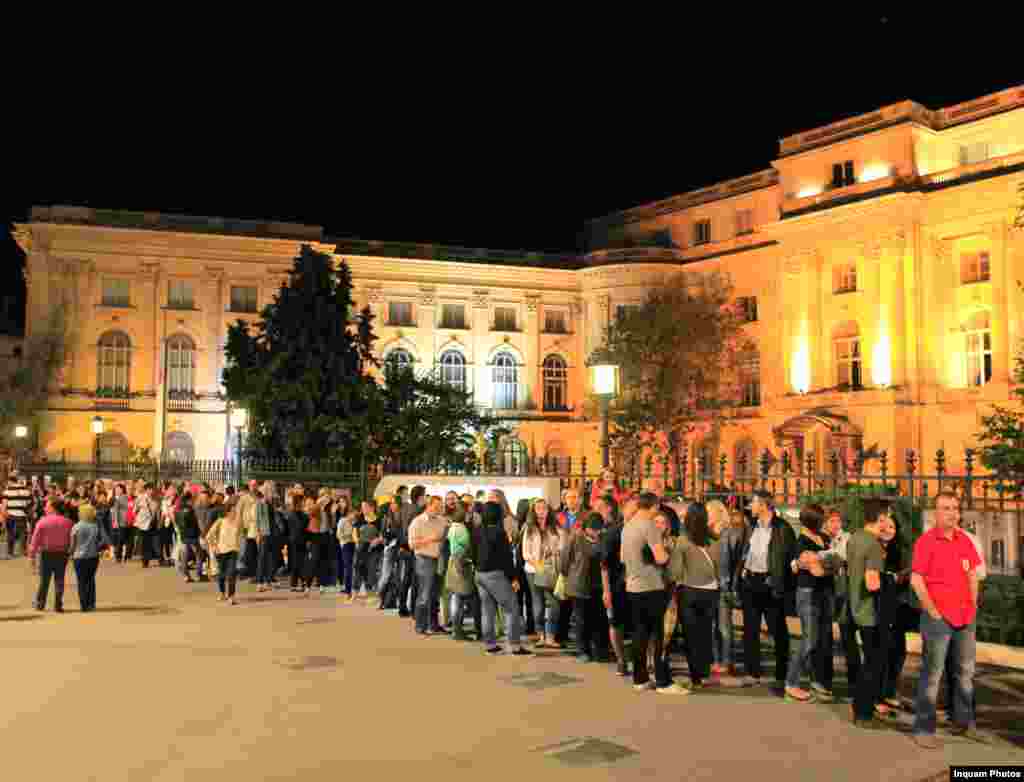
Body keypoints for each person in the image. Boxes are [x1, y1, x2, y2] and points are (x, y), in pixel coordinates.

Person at [910, 490, 984, 749]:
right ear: (936, 513)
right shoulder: (926, 542)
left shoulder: (965, 540)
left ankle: (963, 722)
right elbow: (917, 580)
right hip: (938, 619)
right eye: (946, 508)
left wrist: (973, 605)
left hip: (965, 618)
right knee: (933, 674)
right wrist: (932, 610)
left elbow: (973, 574)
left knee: (965, 673)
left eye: (955, 508)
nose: (952, 513)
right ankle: (923, 728)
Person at [623, 492, 685, 694]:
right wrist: (668, 555)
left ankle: (640, 679)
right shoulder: (649, 525)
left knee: (639, 634)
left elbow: (622, 558)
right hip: (651, 585)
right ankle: (663, 681)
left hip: (633, 585)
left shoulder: (629, 525)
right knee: (658, 636)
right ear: (653, 506)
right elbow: (660, 558)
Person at [738, 489, 796, 688]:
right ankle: (752, 672)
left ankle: (782, 673)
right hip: (750, 582)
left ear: (763, 505)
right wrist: (743, 570)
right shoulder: (751, 525)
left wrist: (780, 582)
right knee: (750, 630)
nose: (750, 507)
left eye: (753, 503)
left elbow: (788, 558)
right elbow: (747, 550)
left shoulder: (782, 528)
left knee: (777, 630)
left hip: (771, 583)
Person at [845, 498, 888, 729]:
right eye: (887, 516)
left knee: (865, 661)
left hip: (854, 607)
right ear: (880, 518)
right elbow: (872, 581)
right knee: (872, 663)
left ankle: (862, 706)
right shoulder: (872, 544)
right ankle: (863, 711)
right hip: (870, 611)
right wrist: (887, 580)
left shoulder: (855, 538)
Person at [784, 504, 833, 703]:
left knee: (821, 640)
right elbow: (816, 570)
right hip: (808, 593)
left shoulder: (823, 538)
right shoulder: (801, 542)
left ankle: (816, 680)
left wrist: (825, 564)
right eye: (822, 519)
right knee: (809, 639)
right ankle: (791, 683)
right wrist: (824, 564)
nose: (825, 522)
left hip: (824, 592)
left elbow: (830, 565)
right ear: (814, 520)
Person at [671, 502, 721, 690]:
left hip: (689, 590)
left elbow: (675, 571)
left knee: (691, 635)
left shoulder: (683, 541)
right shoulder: (715, 540)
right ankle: (705, 671)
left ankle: (695, 677)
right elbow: (719, 565)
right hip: (710, 591)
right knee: (706, 632)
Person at [473, 500, 532, 655]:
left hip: (479, 574)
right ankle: (515, 646)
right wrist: (513, 578)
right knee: (512, 608)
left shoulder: (478, 529)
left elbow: (472, 552)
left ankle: (490, 645)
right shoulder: (499, 533)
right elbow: (506, 559)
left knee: (487, 610)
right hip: (495, 575)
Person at [561, 512, 607, 662]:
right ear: (586, 527)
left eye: (598, 529)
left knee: (598, 619)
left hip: (598, 585)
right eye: (593, 529)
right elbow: (565, 559)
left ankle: (598, 650)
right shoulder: (576, 538)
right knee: (581, 620)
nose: (595, 532)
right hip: (579, 585)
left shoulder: (603, 539)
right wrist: (566, 575)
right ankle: (583, 650)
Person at [878, 511, 913, 709]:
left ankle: (890, 689)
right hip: (877, 605)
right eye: (884, 525)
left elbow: (907, 574)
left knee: (898, 650)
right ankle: (879, 692)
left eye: (892, 527)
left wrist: (898, 577)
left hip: (897, 604)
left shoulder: (901, 550)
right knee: (880, 649)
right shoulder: (872, 546)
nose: (887, 530)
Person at [521, 498, 562, 649]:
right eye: (538, 508)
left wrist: (555, 553)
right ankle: (541, 635)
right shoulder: (529, 528)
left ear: (548, 510)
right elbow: (525, 553)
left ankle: (551, 636)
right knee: (537, 602)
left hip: (552, 569)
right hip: (533, 570)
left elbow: (561, 546)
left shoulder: (555, 528)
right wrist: (538, 566)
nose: (541, 511)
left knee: (554, 603)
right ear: (533, 511)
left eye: (544, 508)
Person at [712, 505, 747, 677]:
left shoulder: (729, 534)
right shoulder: (707, 534)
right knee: (715, 627)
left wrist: (729, 585)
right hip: (710, 584)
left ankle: (727, 661)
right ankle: (718, 660)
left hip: (722, 585)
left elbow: (732, 562)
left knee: (724, 626)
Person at [598, 493, 631, 676]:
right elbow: (604, 564)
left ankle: (648, 661)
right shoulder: (613, 533)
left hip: (638, 584)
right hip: (617, 584)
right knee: (616, 623)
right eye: (630, 509)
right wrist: (606, 591)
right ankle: (621, 660)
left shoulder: (645, 530)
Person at [408, 495, 448, 635]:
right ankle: (421, 626)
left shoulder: (442, 521)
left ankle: (434, 624)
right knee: (424, 594)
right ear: (428, 506)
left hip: (439, 560)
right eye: (436, 507)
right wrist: (431, 539)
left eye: (440, 507)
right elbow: (412, 545)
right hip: (424, 559)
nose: (439, 509)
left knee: (435, 594)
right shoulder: (417, 522)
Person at [29, 497, 74, 612]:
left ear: (53, 508)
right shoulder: (68, 522)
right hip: (62, 554)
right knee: (59, 580)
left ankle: (40, 603)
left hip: (46, 553)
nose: (45, 508)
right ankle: (58, 604)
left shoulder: (42, 521)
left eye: (47, 506)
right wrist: (70, 552)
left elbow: (35, 540)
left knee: (44, 580)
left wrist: (32, 556)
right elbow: (72, 540)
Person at [70, 502, 110, 612]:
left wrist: (70, 553)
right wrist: (97, 547)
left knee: (81, 581)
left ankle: (84, 604)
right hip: (93, 556)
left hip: (79, 557)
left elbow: (73, 544)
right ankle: (91, 603)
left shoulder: (76, 527)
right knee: (90, 580)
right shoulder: (95, 527)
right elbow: (103, 540)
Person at [205, 498, 244, 604]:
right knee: (221, 574)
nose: (234, 513)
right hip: (221, 551)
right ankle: (222, 593)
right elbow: (209, 536)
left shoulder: (238, 523)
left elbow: (241, 534)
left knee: (231, 573)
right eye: (232, 511)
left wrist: (239, 545)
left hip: (233, 551)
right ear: (227, 512)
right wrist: (214, 547)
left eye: (235, 511)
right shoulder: (220, 521)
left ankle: (231, 596)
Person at [175, 492, 202, 583]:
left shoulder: (178, 509)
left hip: (183, 535)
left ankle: (186, 576)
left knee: (184, 556)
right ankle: (198, 574)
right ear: (189, 500)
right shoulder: (190, 510)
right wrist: (198, 532)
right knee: (198, 554)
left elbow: (177, 522)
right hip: (192, 535)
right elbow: (194, 523)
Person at [3, 473, 32, 557]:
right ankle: (23, 551)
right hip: (22, 515)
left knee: (10, 533)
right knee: (23, 533)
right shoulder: (26, 491)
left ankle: (10, 552)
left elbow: (4, 505)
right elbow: (29, 503)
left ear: (10, 481)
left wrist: (5, 515)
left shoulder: (7, 491)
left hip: (10, 515)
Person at [134, 484, 161, 568]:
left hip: (152, 523)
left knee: (153, 541)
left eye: (153, 490)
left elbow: (157, 511)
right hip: (143, 524)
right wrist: (139, 518)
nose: (151, 491)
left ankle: (155, 558)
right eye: (150, 490)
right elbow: (135, 509)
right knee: (145, 542)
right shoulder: (140, 498)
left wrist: (158, 521)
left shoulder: (156, 499)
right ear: (146, 490)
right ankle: (145, 560)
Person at [286, 493, 309, 592]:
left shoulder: (291, 514)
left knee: (298, 562)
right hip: (297, 541)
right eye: (302, 502)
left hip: (295, 540)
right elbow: (301, 527)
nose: (303, 504)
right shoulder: (298, 515)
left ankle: (296, 583)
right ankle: (298, 583)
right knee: (299, 563)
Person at [337, 498, 356, 597]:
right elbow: (339, 535)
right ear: (348, 513)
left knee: (353, 566)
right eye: (352, 513)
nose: (353, 515)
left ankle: (353, 587)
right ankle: (348, 589)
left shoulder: (354, 522)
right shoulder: (342, 521)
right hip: (346, 545)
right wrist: (349, 535)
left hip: (354, 545)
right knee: (348, 566)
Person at [110, 483, 132, 563]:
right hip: (122, 521)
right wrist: (115, 521)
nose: (117, 490)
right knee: (121, 539)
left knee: (127, 539)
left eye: (119, 489)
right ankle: (119, 556)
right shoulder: (118, 499)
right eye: (116, 489)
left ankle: (126, 556)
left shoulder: (128, 498)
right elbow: (115, 510)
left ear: (123, 489)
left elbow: (131, 508)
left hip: (129, 521)